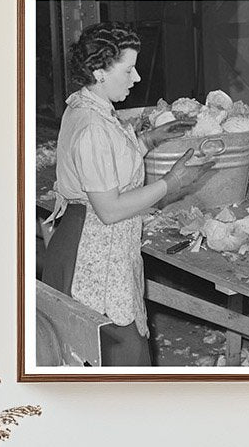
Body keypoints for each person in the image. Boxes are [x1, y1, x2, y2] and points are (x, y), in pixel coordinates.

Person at [42, 22, 212, 366]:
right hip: (94, 255)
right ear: (98, 71)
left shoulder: (90, 108)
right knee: (114, 356)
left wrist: (150, 139)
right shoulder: (92, 126)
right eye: (128, 69)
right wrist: (174, 181)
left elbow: (109, 165)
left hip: (99, 246)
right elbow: (110, 208)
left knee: (115, 357)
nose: (136, 78)